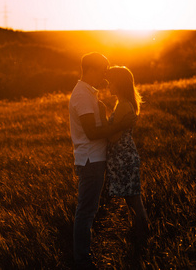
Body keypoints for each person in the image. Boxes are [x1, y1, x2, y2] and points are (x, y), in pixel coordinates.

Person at [69, 53, 137, 269]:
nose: (105, 78)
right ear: (91, 69)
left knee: (89, 209)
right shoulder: (82, 95)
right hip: (90, 159)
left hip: (95, 159)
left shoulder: (88, 93)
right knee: (86, 211)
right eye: (103, 71)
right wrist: (121, 125)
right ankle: (82, 259)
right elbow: (90, 132)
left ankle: (83, 255)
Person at [103, 66, 149, 246]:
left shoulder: (122, 105)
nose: (108, 86)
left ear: (119, 83)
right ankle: (139, 231)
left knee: (134, 199)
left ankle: (143, 234)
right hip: (125, 155)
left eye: (110, 82)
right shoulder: (123, 103)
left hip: (123, 156)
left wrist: (104, 126)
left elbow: (114, 136)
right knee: (132, 198)